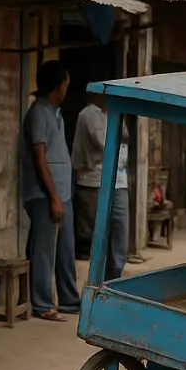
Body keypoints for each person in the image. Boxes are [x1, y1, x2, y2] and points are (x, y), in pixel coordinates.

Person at [21, 60, 79, 321]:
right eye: (66, 83)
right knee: (44, 249)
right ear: (59, 86)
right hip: (45, 195)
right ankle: (42, 303)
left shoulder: (56, 113)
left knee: (66, 246)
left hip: (61, 194)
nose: (67, 88)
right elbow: (39, 157)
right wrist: (54, 197)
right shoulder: (38, 113)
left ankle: (68, 299)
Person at [72, 91, 131, 278]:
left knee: (120, 237)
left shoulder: (115, 114)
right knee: (98, 238)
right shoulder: (89, 114)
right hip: (95, 182)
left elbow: (126, 138)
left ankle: (112, 282)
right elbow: (105, 143)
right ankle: (97, 285)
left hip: (119, 182)